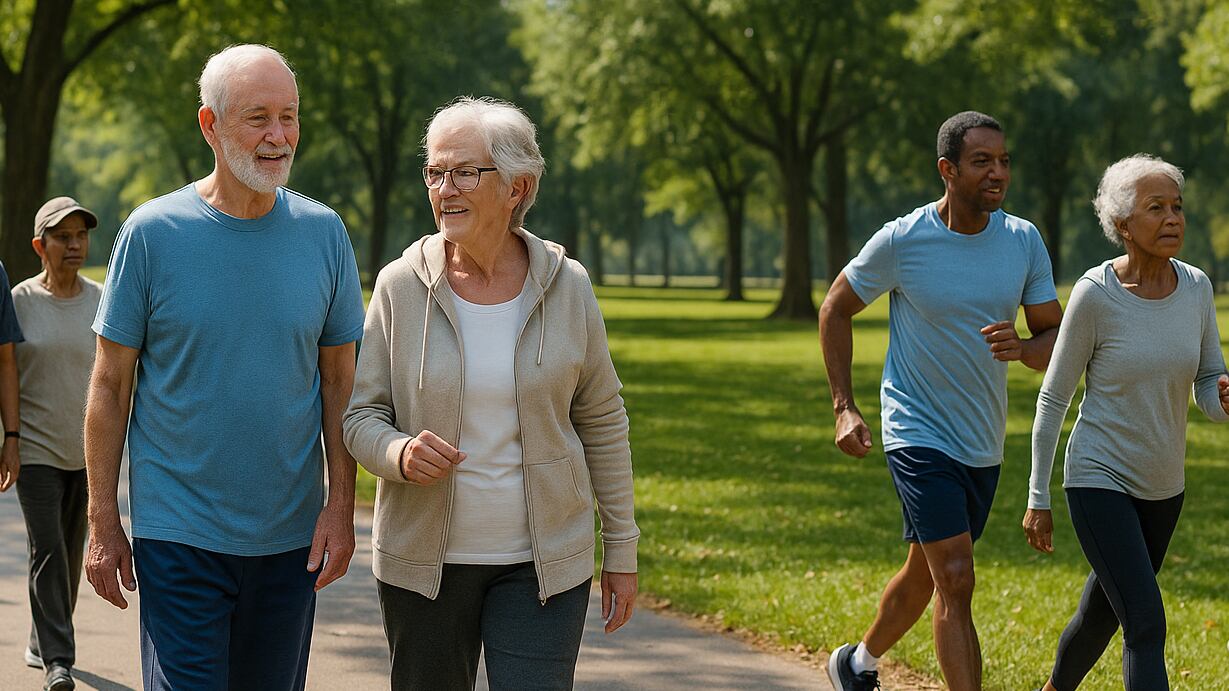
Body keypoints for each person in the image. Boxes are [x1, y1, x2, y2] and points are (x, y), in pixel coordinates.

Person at [82, 44, 365, 690]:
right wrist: (103, 521)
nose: (278, 136)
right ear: (209, 125)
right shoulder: (152, 234)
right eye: (257, 117)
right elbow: (109, 383)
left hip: (290, 539)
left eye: (288, 117)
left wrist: (341, 505)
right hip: (177, 534)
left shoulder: (325, 234)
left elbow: (339, 385)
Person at [343, 96, 639, 690]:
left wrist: (622, 547)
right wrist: (398, 453)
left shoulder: (568, 286)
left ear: (516, 186)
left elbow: (603, 418)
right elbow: (361, 417)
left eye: (464, 172)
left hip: (543, 567)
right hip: (423, 568)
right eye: (434, 171)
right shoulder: (399, 286)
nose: (444, 188)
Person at [819, 111, 1063, 691]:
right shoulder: (905, 239)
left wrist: (1026, 350)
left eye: (1003, 160)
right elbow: (835, 308)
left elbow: (1055, 337)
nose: (998, 173)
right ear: (948, 170)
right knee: (956, 574)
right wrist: (843, 406)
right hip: (916, 429)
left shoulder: (1023, 240)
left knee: (926, 572)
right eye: (983, 162)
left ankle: (856, 663)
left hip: (981, 437)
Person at [1024, 155, 1229, 691]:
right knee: (1145, 622)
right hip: (1099, 477)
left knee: (1102, 613)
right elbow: (1053, 398)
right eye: (1155, 208)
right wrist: (1037, 497)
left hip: (1165, 486)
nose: (1172, 218)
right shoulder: (1097, 295)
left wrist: (1223, 401)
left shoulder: (1198, 289)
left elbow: (1209, 380)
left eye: (1177, 207)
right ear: (1122, 226)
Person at [13, 196, 102, 691]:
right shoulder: (19, 301)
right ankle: (57, 661)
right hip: (36, 450)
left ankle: (39, 636)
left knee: (70, 553)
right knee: (47, 548)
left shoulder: (99, 300)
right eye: (62, 237)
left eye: (80, 236)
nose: (74, 245)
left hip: (87, 452)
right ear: (39, 246)